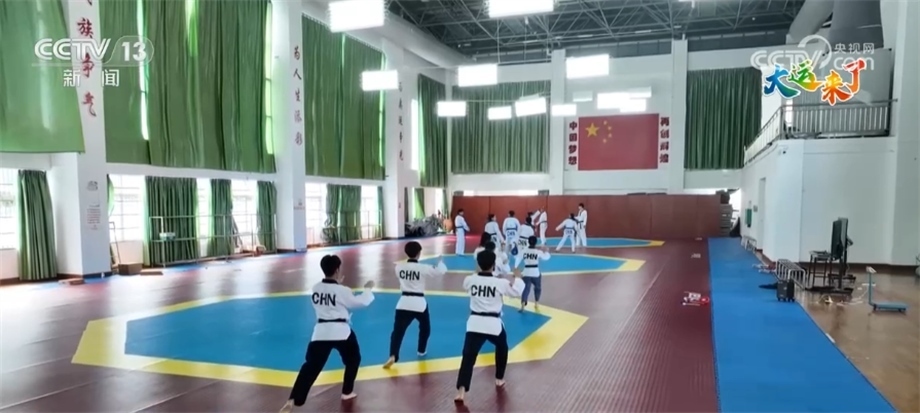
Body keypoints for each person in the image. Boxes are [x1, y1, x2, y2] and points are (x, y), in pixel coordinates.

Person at [280, 255, 375, 413]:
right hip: (341, 332)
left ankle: (292, 399)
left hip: (321, 332)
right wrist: (368, 289)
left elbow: (331, 295)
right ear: (337, 270)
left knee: (310, 367)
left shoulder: (316, 288)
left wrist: (337, 284)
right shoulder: (342, 290)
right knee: (353, 359)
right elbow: (359, 302)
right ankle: (347, 391)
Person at [454, 250, 525, 404]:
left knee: (468, 357)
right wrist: (518, 277)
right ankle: (499, 378)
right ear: (493, 265)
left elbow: (468, 283)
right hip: (493, 325)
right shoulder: (499, 283)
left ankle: (461, 390)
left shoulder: (470, 280)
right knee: (502, 347)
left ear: (478, 264)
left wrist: (477, 271)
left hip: (474, 324)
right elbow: (516, 292)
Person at [383, 242, 447, 369]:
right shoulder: (422, 268)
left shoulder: (399, 268)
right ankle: (421, 350)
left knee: (397, 332)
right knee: (425, 328)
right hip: (419, 303)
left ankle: (393, 355)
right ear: (419, 254)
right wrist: (440, 262)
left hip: (403, 302)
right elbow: (441, 271)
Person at [515, 235, 550, 312]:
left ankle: (523, 305)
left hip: (526, 272)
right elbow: (546, 257)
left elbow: (518, 258)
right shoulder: (537, 252)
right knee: (538, 288)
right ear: (535, 243)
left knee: (525, 289)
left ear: (528, 242)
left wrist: (516, 267)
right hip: (535, 272)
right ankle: (536, 303)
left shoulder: (524, 251)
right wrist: (546, 251)